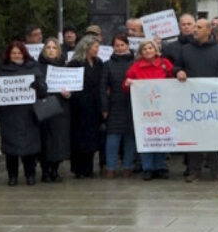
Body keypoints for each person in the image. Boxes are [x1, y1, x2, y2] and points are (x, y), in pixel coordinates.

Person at [174, 18, 218, 182]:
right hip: (191, 100)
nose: (195, 30)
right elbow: (177, 66)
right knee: (194, 135)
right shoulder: (185, 50)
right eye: (195, 27)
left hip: (213, 101)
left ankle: (217, 170)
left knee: (214, 134)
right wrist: (178, 72)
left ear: (208, 31)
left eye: (199, 27)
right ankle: (193, 170)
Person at [0, 41, 45, 186]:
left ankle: (30, 174)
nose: (16, 55)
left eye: (19, 53)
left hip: (29, 113)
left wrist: (38, 86)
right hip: (9, 114)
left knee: (30, 147)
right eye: (13, 53)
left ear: (24, 54)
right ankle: (12, 176)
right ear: (9, 55)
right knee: (11, 148)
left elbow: (43, 91)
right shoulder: (1, 70)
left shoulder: (33, 68)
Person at [124, 40, 173, 180]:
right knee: (147, 136)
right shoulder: (135, 67)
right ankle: (148, 167)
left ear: (155, 49)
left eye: (150, 47)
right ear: (140, 52)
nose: (148, 50)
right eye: (144, 48)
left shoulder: (165, 64)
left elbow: (173, 79)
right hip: (144, 109)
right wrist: (128, 84)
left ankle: (160, 165)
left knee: (162, 136)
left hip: (163, 107)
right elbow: (126, 86)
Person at [100, 34, 137, 178]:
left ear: (127, 45)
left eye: (122, 45)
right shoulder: (107, 64)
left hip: (132, 103)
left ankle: (128, 166)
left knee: (130, 137)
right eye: (117, 45)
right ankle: (111, 167)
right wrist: (104, 108)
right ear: (113, 47)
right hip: (114, 104)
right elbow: (102, 88)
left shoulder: (135, 63)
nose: (120, 48)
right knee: (112, 137)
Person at [68, 35, 103, 178]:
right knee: (79, 138)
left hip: (94, 105)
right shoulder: (75, 63)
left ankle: (88, 168)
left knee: (91, 137)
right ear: (87, 47)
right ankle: (78, 169)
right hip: (79, 104)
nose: (97, 49)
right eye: (95, 47)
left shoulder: (98, 62)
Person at [37, 38, 71, 182]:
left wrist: (68, 94)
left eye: (54, 47)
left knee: (59, 140)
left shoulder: (65, 67)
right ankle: (45, 170)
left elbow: (72, 86)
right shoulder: (37, 67)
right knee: (45, 140)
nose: (51, 50)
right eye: (48, 47)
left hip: (61, 108)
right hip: (44, 107)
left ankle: (55, 170)